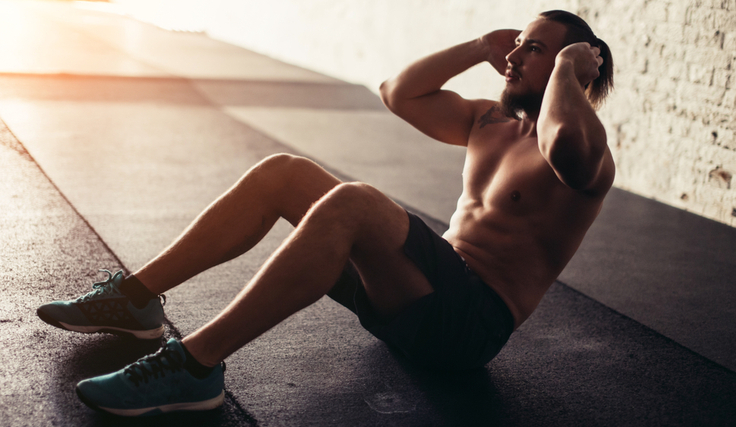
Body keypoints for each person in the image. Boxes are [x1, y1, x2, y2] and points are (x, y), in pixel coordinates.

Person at [37, 10, 615, 416]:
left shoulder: (586, 150)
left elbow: (563, 147)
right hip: (414, 295)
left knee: (354, 203)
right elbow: (397, 92)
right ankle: (137, 296)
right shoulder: (489, 121)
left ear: (573, 67)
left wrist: (567, 67)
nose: (515, 55)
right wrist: (478, 48)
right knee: (284, 172)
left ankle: (192, 367)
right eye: (519, 44)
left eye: (531, 48)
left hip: (466, 328)